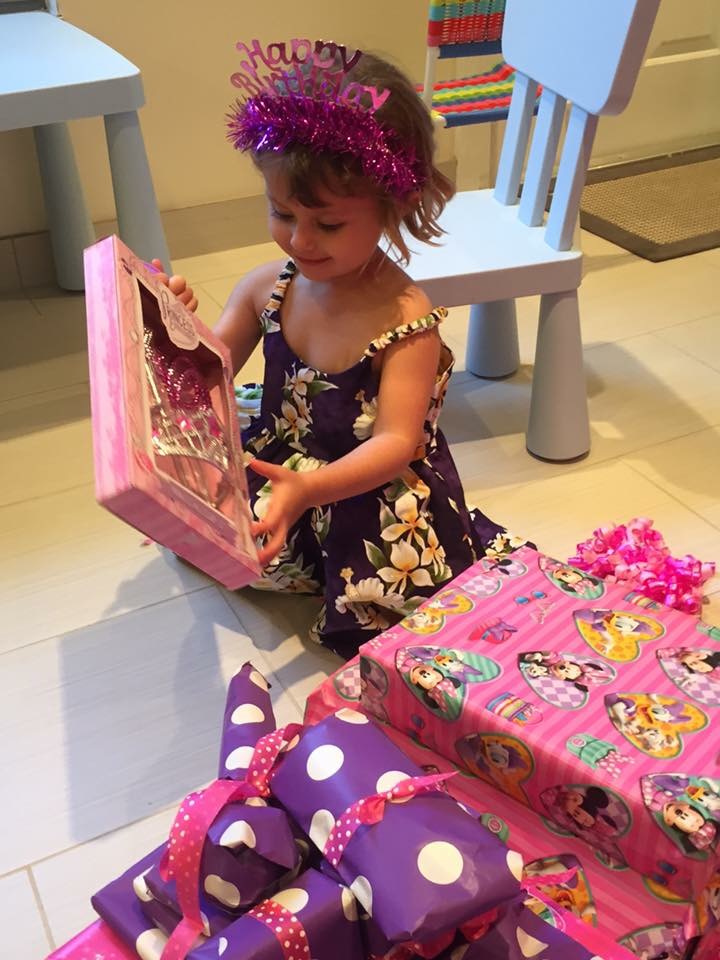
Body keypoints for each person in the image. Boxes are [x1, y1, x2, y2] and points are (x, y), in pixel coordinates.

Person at [152, 39, 512, 658]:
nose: (300, 240)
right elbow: (206, 375)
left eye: (328, 224)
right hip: (282, 460)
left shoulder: (407, 320)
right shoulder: (266, 287)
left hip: (364, 487)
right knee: (202, 525)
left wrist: (308, 491)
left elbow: (395, 443)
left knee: (386, 604)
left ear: (394, 205)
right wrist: (171, 325)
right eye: (281, 213)